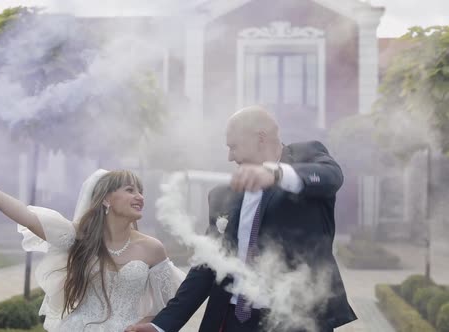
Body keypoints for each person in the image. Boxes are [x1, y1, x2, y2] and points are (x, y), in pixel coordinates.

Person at [126, 106, 357, 332]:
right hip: (231, 319)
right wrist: (161, 325)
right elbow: (207, 266)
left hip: (296, 317)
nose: (229, 157)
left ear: (260, 138)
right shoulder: (222, 195)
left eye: (233, 147)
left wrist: (275, 173)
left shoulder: (305, 157)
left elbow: (331, 176)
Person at [0, 162, 185, 331]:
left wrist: (143, 326)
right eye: (130, 190)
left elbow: (173, 305)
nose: (140, 197)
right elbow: (24, 215)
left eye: (141, 191)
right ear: (106, 199)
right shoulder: (78, 238)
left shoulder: (152, 249)